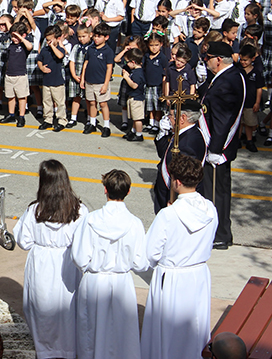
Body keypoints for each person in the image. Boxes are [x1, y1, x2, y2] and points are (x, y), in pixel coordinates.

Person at [141, 153, 217, 359]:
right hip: (199, 274)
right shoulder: (210, 209)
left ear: (176, 182)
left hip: (173, 277)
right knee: (195, 326)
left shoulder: (168, 215)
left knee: (168, 334)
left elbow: (150, 253)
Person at [14, 159, 88, 359]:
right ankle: (68, 350)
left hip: (41, 264)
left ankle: (44, 351)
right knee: (67, 311)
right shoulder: (79, 210)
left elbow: (23, 241)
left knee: (41, 310)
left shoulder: (34, 210)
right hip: (67, 264)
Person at [71, 169, 147, 359]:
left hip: (95, 281)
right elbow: (140, 263)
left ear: (105, 189)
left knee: (92, 333)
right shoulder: (135, 223)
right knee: (122, 335)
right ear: (128, 192)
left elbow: (79, 257)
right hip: (122, 283)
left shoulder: (90, 220)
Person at [198, 41, 245, 249]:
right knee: (218, 192)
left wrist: (215, 150)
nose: (206, 62)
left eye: (208, 59)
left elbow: (223, 120)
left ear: (218, 60)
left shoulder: (227, 83)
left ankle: (220, 234)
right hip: (218, 146)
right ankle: (221, 232)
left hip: (218, 148)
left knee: (216, 193)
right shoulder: (229, 76)